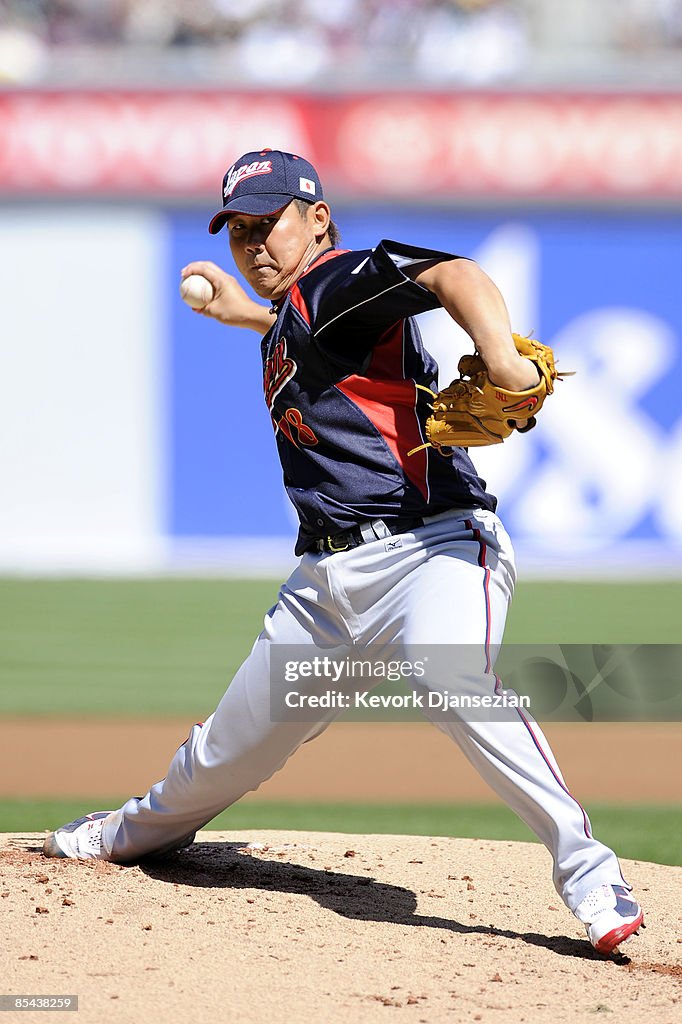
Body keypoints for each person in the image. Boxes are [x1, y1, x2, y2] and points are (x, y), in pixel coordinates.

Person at [44, 148, 644, 956]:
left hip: (432, 550)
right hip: (326, 588)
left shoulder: (338, 279)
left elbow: (455, 274)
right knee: (222, 755)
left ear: (317, 218)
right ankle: (125, 833)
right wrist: (246, 317)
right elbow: (315, 338)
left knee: (447, 672)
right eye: (239, 229)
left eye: (270, 221)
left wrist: (501, 359)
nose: (254, 242)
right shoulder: (304, 307)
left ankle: (590, 875)